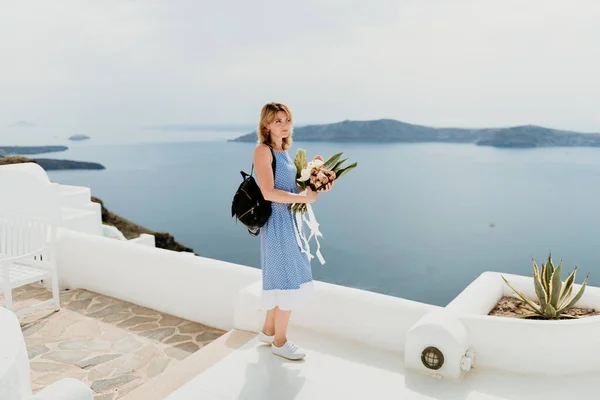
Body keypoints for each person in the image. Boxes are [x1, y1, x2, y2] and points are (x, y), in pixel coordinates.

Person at [253, 102, 333, 360]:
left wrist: (316, 184)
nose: (284, 124)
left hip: (289, 223)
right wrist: (306, 199)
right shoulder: (263, 151)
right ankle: (280, 341)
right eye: (277, 120)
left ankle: (267, 331)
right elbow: (268, 193)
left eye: (287, 119)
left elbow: (292, 189)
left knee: (281, 276)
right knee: (286, 279)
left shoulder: (284, 152)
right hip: (277, 224)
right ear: (266, 125)